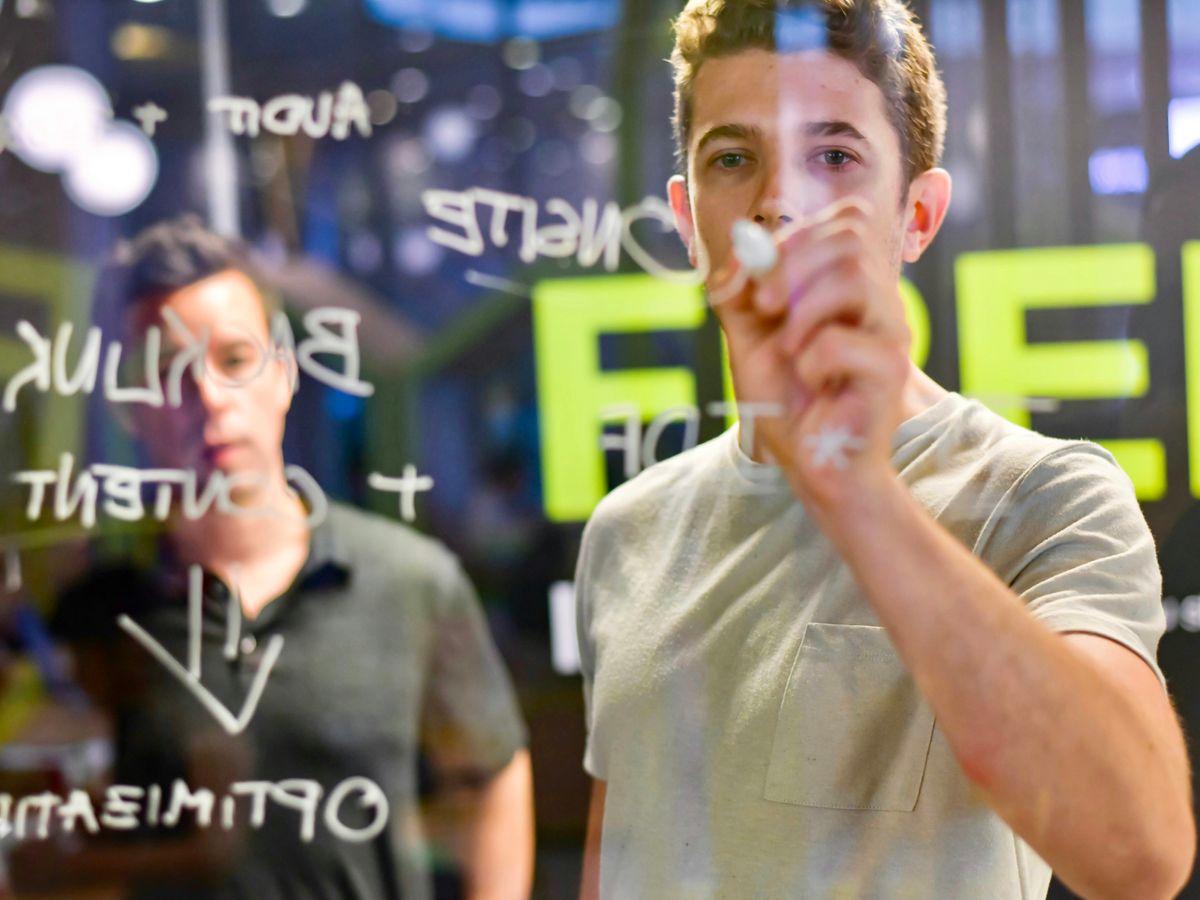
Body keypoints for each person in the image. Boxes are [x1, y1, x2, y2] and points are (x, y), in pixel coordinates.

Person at [575, 1, 1194, 897]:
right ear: (687, 217)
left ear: (917, 216)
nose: (779, 200)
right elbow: (622, 854)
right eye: (733, 159)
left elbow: (1137, 857)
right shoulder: (629, 527)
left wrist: (859, 497)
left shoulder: (1045, 497)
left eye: (835, 156)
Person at [24, 215, 533, 899]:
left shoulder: (407, 582)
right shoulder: (105, 612)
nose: (209, 398)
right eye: (173, 372)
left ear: (283, 377)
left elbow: (493, 773)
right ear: (132, 408)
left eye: (234, 360)